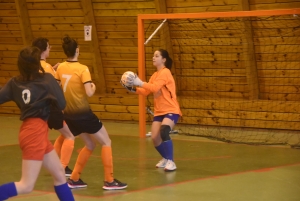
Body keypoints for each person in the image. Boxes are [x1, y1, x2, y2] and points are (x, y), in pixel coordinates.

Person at [0, 46, 74, 200]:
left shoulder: (14, 82)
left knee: (60, 174)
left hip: (32, 130)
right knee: (26, 185)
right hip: (35, 133)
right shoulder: (47, 79)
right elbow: (61, 104)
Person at [55, 35, 127, 190]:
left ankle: (74, 179)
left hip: (68, 114)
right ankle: (109, 180)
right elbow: (89, 92)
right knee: (106, 142)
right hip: (83, 114)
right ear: (77, 51)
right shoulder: (82, 69)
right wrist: (93, 85)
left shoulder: (60, 67)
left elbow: (57, 85)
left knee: (89, 143)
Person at [122, 49, 182, 171]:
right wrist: (133, 88)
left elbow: (154, 88)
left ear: (163, 59)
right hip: (160, 111)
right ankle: (165, 158)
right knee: (155, 137)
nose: (153, 58)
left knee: (164, 131)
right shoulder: (155, 75)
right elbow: (146, 91)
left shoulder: (165, 73)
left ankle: (171, 162)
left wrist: (140, 82)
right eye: (153, 56)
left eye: (157, 56)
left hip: (171, 109)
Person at [32, 37, 75, 176]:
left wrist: (53, 69)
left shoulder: (33, 65)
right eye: (49, 47)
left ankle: (55, 164)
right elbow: (53, 86)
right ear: (44, 50)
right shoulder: (46, 68)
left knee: (60, 134)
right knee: (70, 135)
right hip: (51, 106)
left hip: (38, 107)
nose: (50, 49)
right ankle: (62, 167)